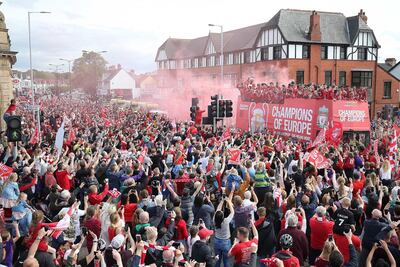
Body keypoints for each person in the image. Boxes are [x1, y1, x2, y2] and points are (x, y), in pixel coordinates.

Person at [214, 197, 234, 267]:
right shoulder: (226, 221)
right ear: (223, 217)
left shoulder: (214, 220)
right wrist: (228, 202)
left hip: (217, 241)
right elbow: (232, 212)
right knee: (226, 260)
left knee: (217, 260)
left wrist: (222, 201)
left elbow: (218, 210)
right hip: (226, 242)